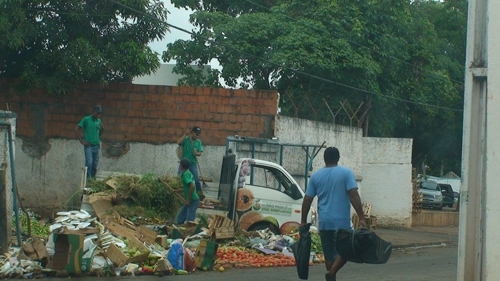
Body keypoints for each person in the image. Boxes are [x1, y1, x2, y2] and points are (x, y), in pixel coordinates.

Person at [300, 147, 367, 281]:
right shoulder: (346, 173)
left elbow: (307, 199)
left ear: (324, 159)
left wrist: (303, 221)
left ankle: (331, 275)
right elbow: (353, 195)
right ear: (338, 158)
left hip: (324, 222)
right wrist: (361, 217)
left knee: (329, 255)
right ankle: (332, 272)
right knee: (347, 250)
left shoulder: (316, 176)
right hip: (341, 222)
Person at [74, 105, 104, 178]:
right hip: (89, 145)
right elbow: (76, 129)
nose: (98, 115)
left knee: (95, 164)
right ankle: (87, 180)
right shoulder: (86, 119)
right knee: (89, 163)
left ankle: (92, 179)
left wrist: (99, 135)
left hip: (96, 145)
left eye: (100, 113)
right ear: (93, 112)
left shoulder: (98, 120)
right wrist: (81, 141)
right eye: (97, 113)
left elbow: (102, 128)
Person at [177, 126, 204, 199]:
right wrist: (185, 134)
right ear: (192, 133)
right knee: (179, 178)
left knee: (196, 180)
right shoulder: (186, 140)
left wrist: (196, 153)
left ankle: (199, 195)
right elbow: (178, 142)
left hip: (192, 163)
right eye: (197, 134)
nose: (198, 136)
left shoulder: (198, 142)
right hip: (184, 163)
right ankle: (179, 194)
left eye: (199, 134)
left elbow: (200, 152)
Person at [176, 158, 200, 224]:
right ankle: (180, 232)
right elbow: (188, 187)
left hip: (193, 201)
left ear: (181, 165)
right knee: (179, 219)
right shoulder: (188, 172)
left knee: (190, 222)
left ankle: (190, 233)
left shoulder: (185, 175)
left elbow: (192, 186)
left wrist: (188, 200)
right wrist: (179, 190)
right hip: (191, 200)